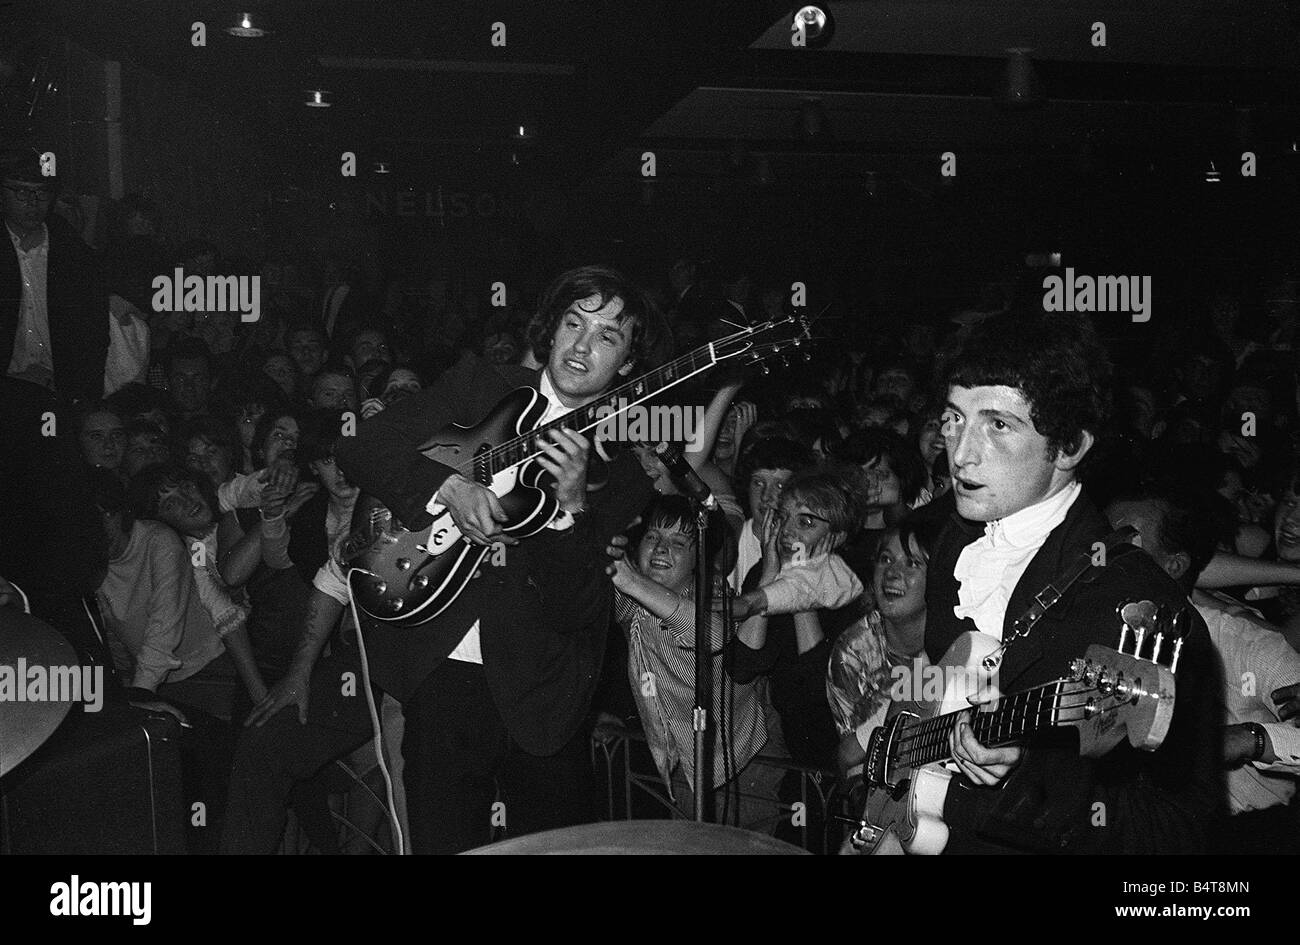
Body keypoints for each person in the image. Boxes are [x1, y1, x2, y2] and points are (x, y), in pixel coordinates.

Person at [335, 265, 667, 853]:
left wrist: (569, 511)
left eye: (608, 336)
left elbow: (575, 609)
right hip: (443, 669)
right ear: (551, 329)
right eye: (574, 323)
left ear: (629, 364)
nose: (582, 345)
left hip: (544, 692)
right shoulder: (478, 385)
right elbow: (363, 447)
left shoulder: (624, 472)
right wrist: (447, 488)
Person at [920, 308, 1223, 854]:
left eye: (998, 425)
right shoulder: (957, 544)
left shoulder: (1139, 606)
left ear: (1070, 446)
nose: (960, 453)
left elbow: (1177, 831)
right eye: (954, 418)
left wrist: (1025, 779)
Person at [1105, 483, 1300, 852]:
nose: (1102, 552)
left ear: (1174, 564)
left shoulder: (1248, 645)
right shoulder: (1089, 628)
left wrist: (1252, 739)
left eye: (1126, 540)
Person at [605, 496, 773, 827]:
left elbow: (708, 635)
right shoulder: (634, 594)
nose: (661, 549)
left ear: (699, 558)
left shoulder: (711, 592)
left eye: (678, 542)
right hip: (686, 765)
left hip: (744, 761)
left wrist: (633, 581)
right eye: (653, 537)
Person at [0, 146, 108, 404]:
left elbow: (92, 333)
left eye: (41, 193)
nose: (32, 202)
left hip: (59, 390)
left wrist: (83, 393)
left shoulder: (71, 251)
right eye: (21, 191)